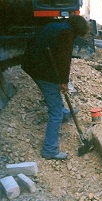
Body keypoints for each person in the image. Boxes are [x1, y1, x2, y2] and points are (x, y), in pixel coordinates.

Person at [21, 14, 89, 160]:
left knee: (54, 95)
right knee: (55, 111)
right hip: (42, 70)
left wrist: (60, 81)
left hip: (33, 65)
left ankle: (64, 113)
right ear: (79, 29)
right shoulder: (67, 33)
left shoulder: (56, 25)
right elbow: (63, 59)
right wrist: (63, 81)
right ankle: (49, 150)